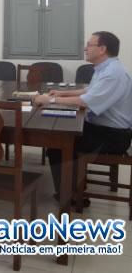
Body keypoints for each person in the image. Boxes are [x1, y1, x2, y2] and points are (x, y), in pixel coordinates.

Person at [33, 31, 132, 203]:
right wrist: (64, 93)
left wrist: (50, 99)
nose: (85, 48)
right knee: (60, 134)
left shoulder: (113, 74)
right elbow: (90, 91)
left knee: (58, 141)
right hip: (103, 128)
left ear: (102, 49)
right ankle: (73, 188)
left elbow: (86, 101)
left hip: (113, 136)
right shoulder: (106, 68)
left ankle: (70, 196)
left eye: (89, 45)